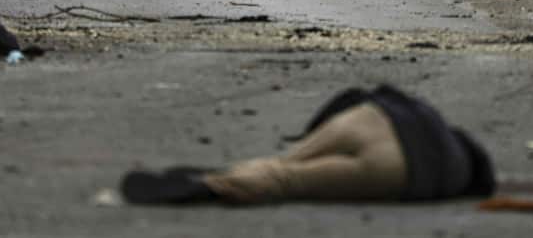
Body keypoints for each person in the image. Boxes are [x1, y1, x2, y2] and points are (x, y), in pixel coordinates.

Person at [119, 85, 495, 204]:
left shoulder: (432, 118)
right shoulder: (456, 174)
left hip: (371, 116)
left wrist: (310, 135)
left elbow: (354, 96)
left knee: (286, 162)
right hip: (399, 167)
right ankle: (217, 185)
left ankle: (253, 168)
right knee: (290, 182)